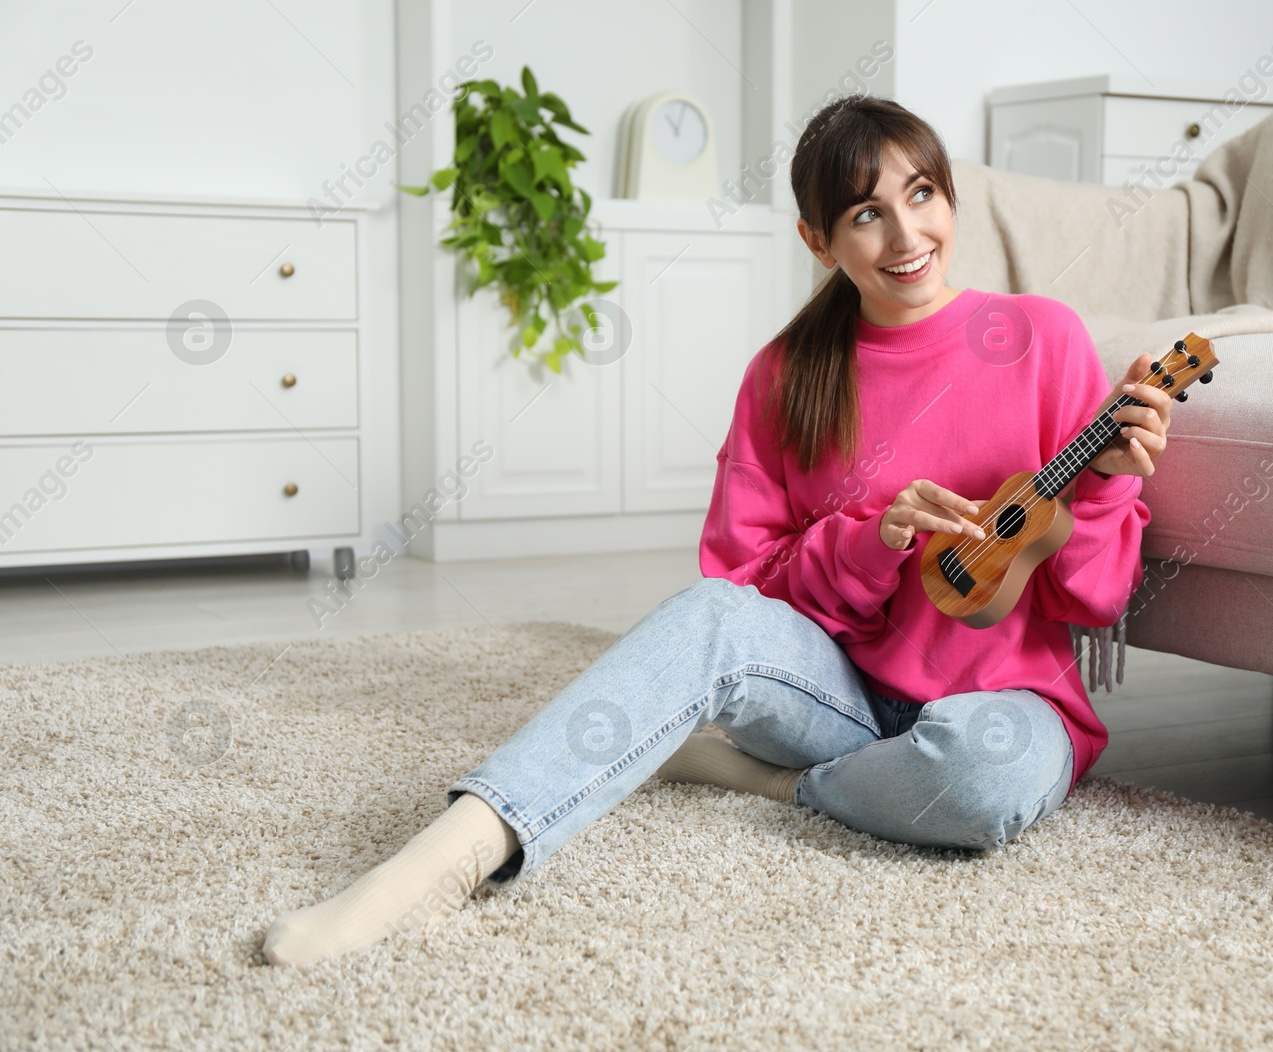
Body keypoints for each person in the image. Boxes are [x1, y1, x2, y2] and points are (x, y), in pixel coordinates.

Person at [263, 94, 1168, 967]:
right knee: (702, 618)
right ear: (817, 239)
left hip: (1005, 707)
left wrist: (1100, 494)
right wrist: (869, 538)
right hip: (840, 697)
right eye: (865, 214)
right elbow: (738, 583)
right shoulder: (784, 375)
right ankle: (449, 852)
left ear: (948, 198)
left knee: (987, 779)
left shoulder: (1043, 339)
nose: (904, 237)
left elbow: (1096, 597)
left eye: (920, 195)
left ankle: (774, 784)